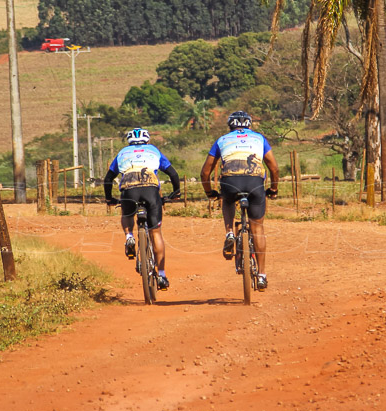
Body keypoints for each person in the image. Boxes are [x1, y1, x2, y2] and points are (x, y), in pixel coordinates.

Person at [200, 111, 280, 290]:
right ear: (249, 125)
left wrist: (209, 192)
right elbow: (274, 168)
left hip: (230, 182)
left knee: (227, 200)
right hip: (255, 183)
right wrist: (274, 189)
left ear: (230, 126)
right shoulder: (259, 139)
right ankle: (261, 275)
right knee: (257, 228)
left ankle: (229, 233)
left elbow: (205, 172)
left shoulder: (222, 140)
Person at [103, 128, 181, 290]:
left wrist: (109, 198)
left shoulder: (122, 153)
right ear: (147, 140)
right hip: (150, 191)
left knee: (127, 213)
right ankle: (162, 275)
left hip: (129, 190)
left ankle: (129, 236)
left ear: (129, 141)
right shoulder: (154, 151)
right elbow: (173, 174)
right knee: (155, 233)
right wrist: (176, 192)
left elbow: (108, 178)